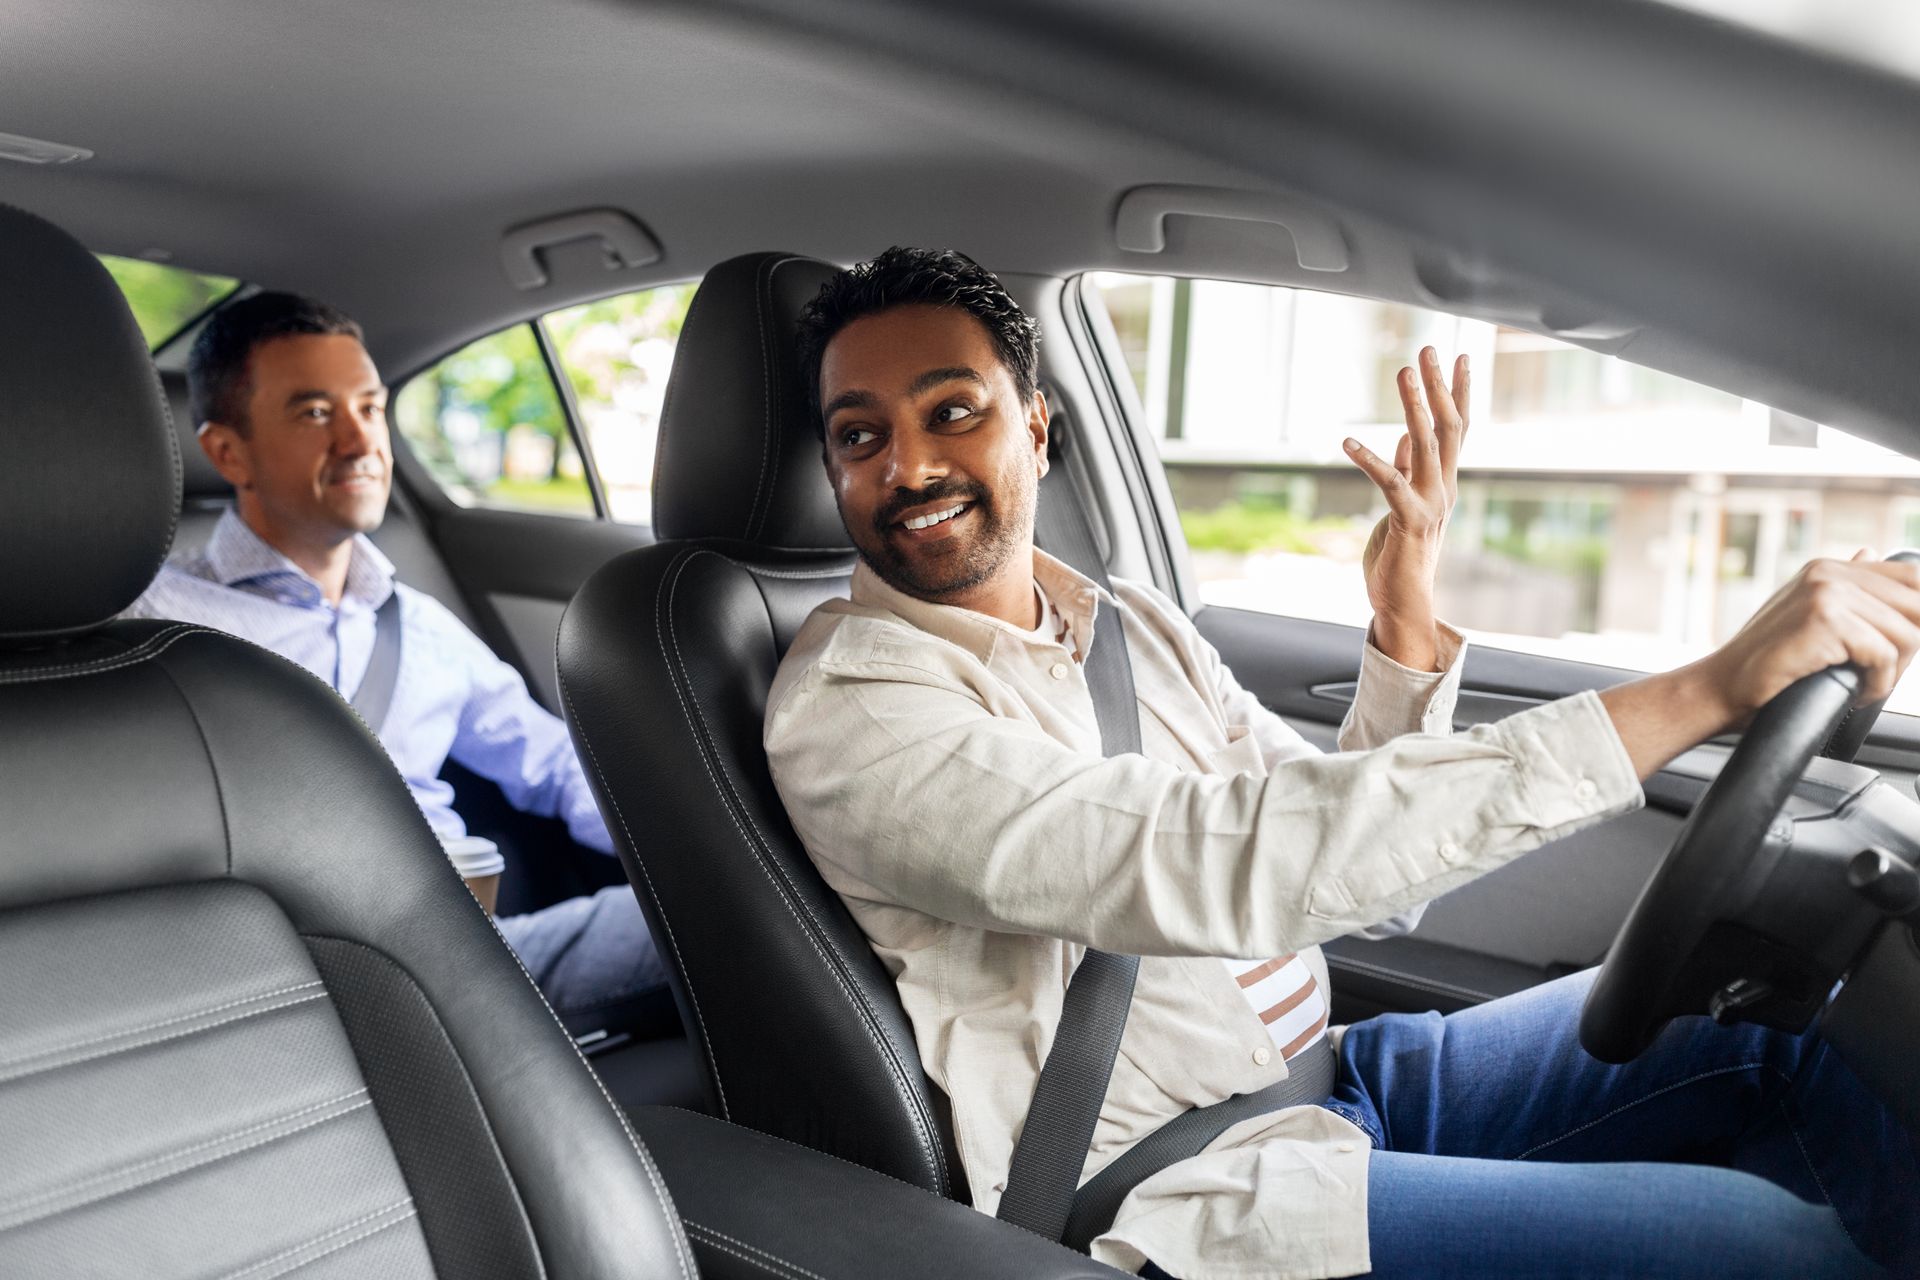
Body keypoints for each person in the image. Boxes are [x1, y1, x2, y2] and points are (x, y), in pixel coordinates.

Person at [763, 248, 1919, 1278]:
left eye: (952, 411)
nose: (907, 465)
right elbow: (1223, 860)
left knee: (1772, 1030)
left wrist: (1404, 620)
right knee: (1785, 1251)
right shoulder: (853, 711)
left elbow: (1360, 876)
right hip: (1188, 1192)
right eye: (860, 435)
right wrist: (1710, 687)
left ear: (1037, 426)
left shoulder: (1130, 625)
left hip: (1329, 1075)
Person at [127, 291, 666, 1028]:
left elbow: (555, 766)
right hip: (287, 982)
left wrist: (702, 847)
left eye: (371, 408)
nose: (361, 442)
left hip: (471, 951)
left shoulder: (417, 623)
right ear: (228, 452)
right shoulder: (154, 623)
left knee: (733, 912)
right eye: (315, 413)